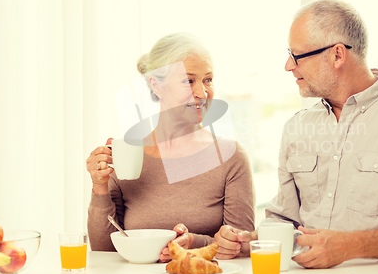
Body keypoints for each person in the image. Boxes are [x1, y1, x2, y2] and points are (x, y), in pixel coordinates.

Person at [214, 0, 378, 268]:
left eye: (297, 56)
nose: (288, 66)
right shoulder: (296, 128)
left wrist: (349, 246)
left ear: (338, 54)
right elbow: (284, 220)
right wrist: (251, 241)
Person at [86, 33, 255, 262]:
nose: (203, 94)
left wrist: (195, 242)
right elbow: (104, 251)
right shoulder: (127, 154)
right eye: (189, 80)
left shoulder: (230, 157)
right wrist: (99, 187)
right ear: (156, 85)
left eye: (208, 79)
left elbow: (242, 246)